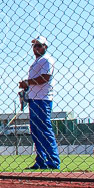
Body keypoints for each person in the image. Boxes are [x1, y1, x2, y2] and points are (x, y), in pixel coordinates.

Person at [19, 36, 59, 170]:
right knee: (36, 131)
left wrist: (27, 82)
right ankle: (41, 160)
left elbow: (45, 78)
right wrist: (27, 86)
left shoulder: (47, 60)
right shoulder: (37, 62)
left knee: (44, 129)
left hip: (43, 99)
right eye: (34, 46)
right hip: (35, 99)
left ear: (45, 47)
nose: (36, 48)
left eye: (39, 45)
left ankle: (53, 160)